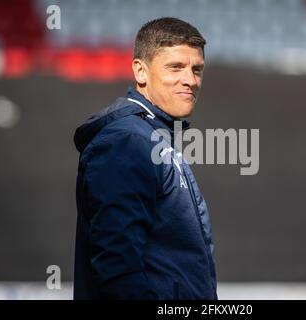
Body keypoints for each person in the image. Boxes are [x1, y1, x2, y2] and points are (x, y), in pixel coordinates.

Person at [73, 17, 217, 300]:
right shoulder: (127, 141)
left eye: (197, 69)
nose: (190, 80)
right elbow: (118, 267)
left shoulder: (155, 138)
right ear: (141, 71)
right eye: (175, 67)